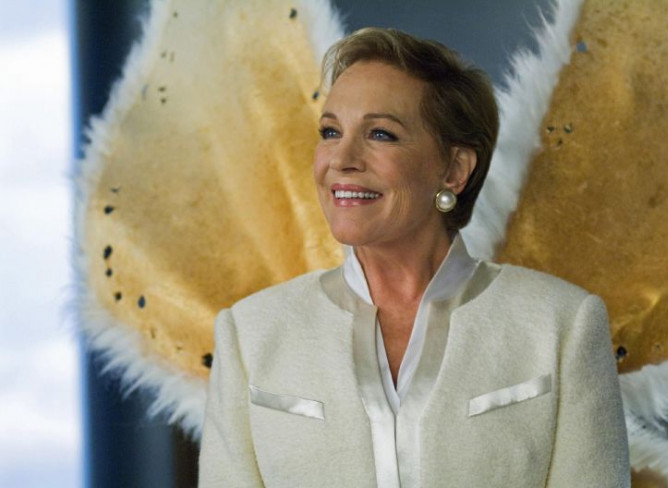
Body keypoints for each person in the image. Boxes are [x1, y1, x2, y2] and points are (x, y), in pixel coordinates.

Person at [198, 27, 630, 487]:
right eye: (331, 131)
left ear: (454, 170)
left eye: (380, 134)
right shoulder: (250, 333)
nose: (341, 159)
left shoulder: (562, 324)